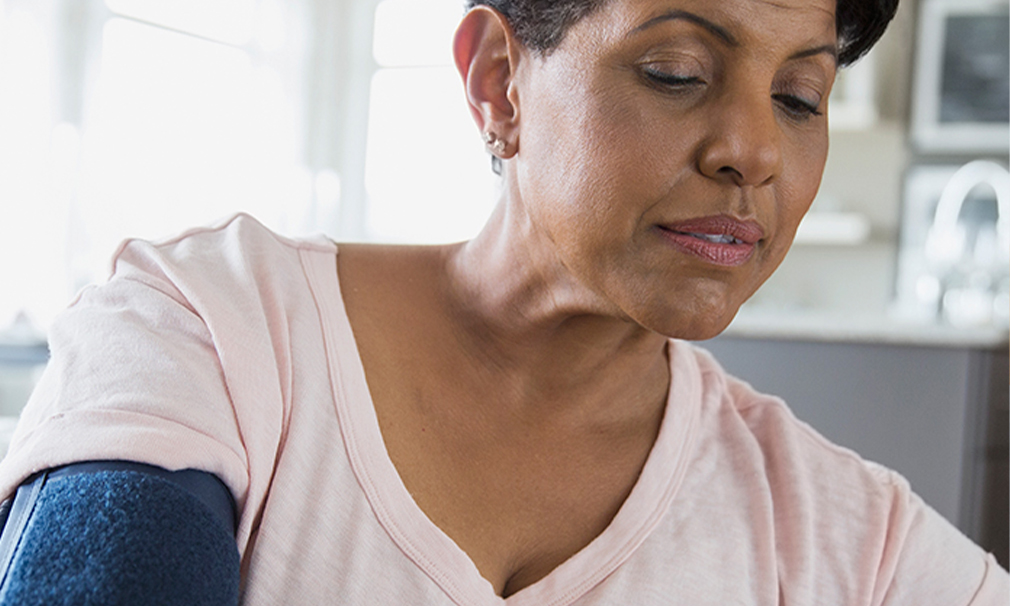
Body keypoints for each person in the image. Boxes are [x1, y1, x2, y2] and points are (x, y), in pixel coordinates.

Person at [0, 0, 1005, 603]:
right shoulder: (209, 328)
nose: (752, 150)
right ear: (497, 84)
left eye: (798, 97)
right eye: (675, 72)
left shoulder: (845, 538)